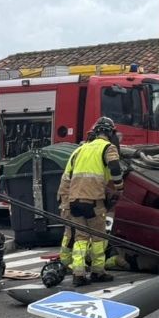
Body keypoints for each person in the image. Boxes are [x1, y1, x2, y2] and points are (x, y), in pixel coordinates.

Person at [58, 116, 124, 285]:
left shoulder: (80, 149)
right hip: (94, 202)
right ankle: (98, 271)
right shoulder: (108, 148)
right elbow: (115, 168)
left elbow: (67, 176)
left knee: (80, 236)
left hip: (74, 201)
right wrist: (120, 188)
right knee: (98, 238)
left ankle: (78, 274)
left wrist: (65, 200)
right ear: (110, 133)